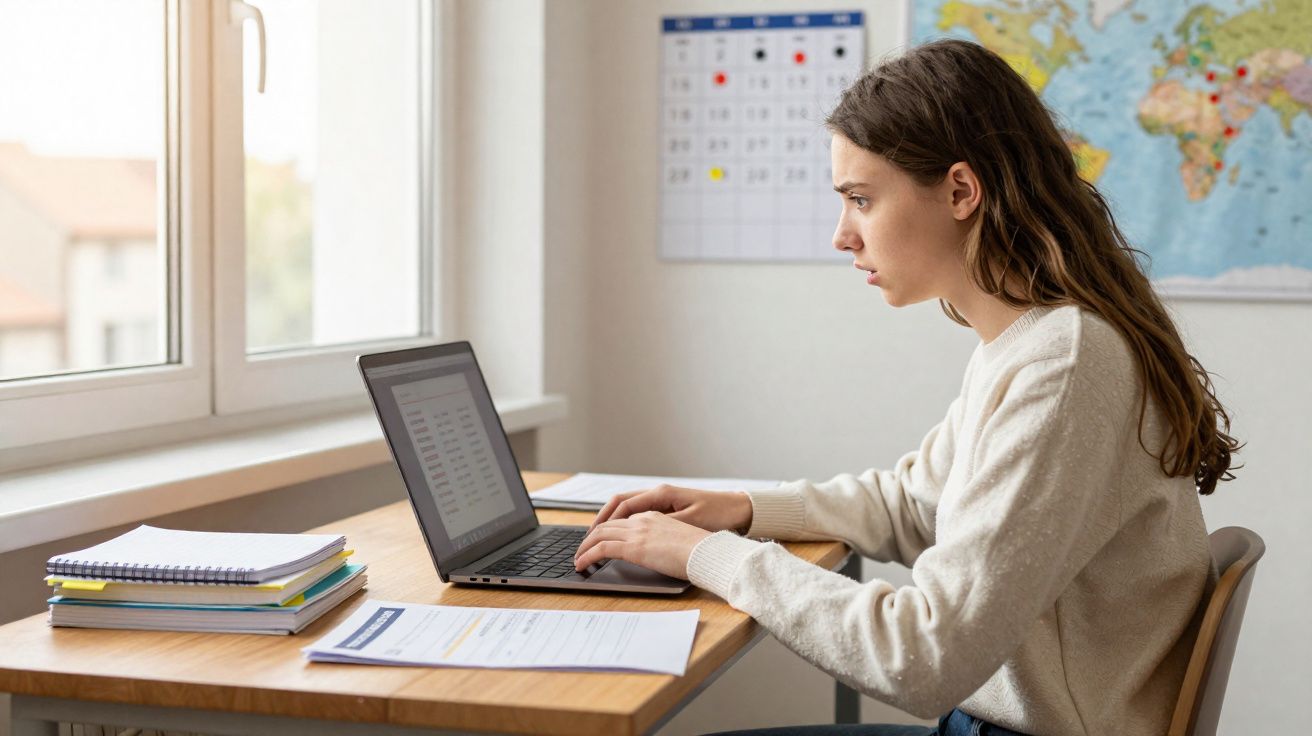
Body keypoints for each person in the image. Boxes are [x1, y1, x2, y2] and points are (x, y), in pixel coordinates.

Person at [572, 38, 1242, 736]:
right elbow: (916, 502)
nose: (842, 236)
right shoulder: (1032, 343)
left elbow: (922, 656)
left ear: (960, 190)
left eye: (861, 199)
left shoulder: (1063, 365)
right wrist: (739, 509)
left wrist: (703, 557)